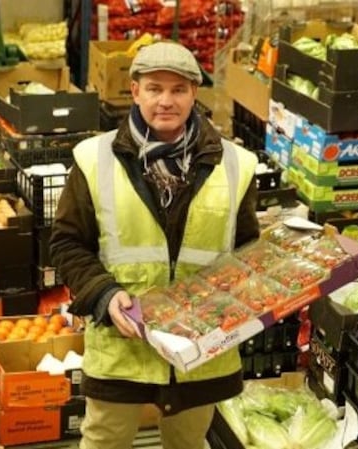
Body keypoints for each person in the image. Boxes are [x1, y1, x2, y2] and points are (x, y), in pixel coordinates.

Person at [49, 41, 259, 449]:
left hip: (200, 352)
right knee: (104, 441)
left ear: (194, 93)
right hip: (122, 348)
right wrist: (105, 295)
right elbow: (66, 242)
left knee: (188, 442)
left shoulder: (236, 164)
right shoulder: (95, 159)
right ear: (135, 90)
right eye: (155, 88)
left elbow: (248, 249)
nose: (167, 101)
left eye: (179, 90)